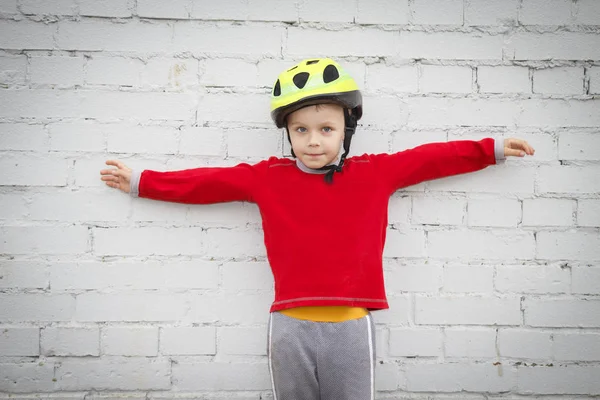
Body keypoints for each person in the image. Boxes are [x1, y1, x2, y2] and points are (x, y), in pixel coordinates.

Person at [100, 58, 535, 400]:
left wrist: (491, 149)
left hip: (350, 325)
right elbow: (206, 183)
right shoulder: (267, 177)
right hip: (288, 325)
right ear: (287, 132)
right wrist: (142, 181)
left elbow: (430, 159)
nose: (313, 141)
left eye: (326, 129)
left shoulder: (374, 173)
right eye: (301, 129)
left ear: (347, 129)